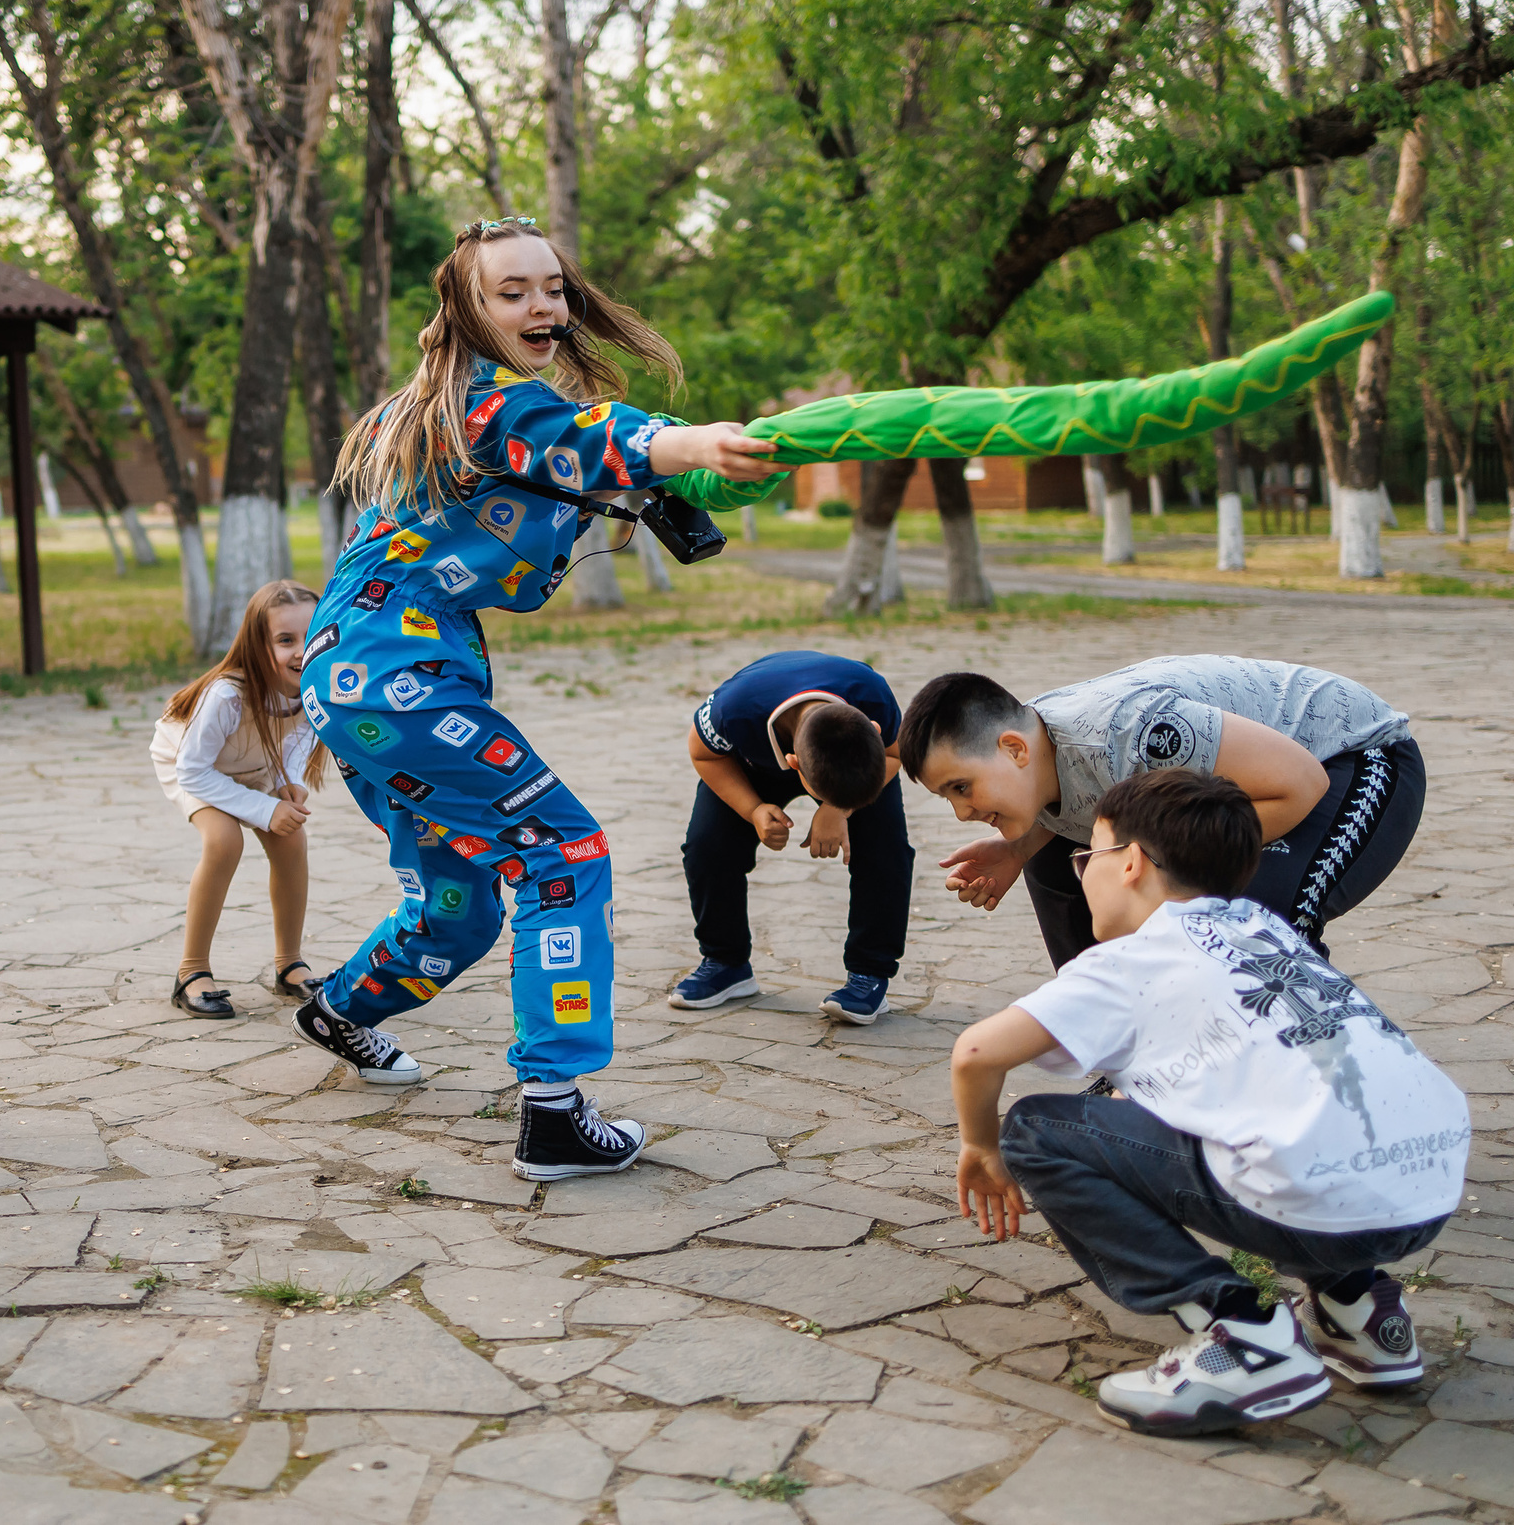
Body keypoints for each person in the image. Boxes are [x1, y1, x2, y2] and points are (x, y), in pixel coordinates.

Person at [293, 216, 786, 1181]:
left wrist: (639, 490)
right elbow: (584, 434)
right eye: (511, 291)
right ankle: (555, 1111)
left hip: (355, 681)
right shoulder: (486, 405)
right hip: (395, 683)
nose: (542, 306)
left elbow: (549, 467)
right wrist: (691, 445)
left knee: (463, 904)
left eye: (552, 288)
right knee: (564, 852)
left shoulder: (445, 408)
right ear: (467, 308)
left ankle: (343, 1008)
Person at [948, 770, 1465, 1434]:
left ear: (1128, 861)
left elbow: (976, 1052)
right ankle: (1362, 1311)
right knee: (1271, 1117)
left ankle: (1243, 1333)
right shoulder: (1261, 927)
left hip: (1318, 1206)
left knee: (1036, 1130)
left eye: (1087, 856)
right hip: (1426, 1191)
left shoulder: (1130, 962)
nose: (1081, 875)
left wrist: (979, 1145)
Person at [898, 656, 1422, 968]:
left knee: (1252, 916)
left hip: (1351, 760)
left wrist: (1176, 858)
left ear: (1014, 749)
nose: (962, 812)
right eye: (948, 796)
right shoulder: (1034, 760)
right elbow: (1073, 800)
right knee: (1070, 866)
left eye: (962, 787)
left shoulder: (1133, 735)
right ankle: (1133, 1065)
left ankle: (1308, 1089)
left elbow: (1301, 784)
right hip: (1279, 780)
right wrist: (1016, 849)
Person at [677, 650, 912, 1023]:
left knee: (886, 850)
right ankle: (726, 962)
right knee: (707, 847)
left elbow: (895, 755)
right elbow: (703, 755)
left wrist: (838, 809)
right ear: (793, 765)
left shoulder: (873, 696)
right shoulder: (731, 711)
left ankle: (869, 975)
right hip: (748, 757)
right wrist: (753, 809)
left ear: (874, 727)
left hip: (850, 755)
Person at [152, 579, 327, 1018]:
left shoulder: (313, 686)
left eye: (311, 636)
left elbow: (299, 738)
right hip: (192, 765)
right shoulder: (227, 694)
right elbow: (193, 769)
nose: (301, 651)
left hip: (254, 764)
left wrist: (288, 783)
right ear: (255, 645)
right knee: (224, 840)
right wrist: (266, 808)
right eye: (285, 640)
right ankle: (191, 971)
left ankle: (289, 964)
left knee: (291, 839)